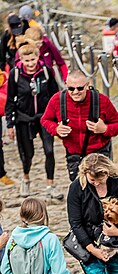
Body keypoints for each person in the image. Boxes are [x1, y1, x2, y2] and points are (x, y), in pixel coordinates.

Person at [41, 71, 118, 182]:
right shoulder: (57, 100)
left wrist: (105, 129)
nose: (75, 92)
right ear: (66, 85)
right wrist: (56, 129)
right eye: (71, 89)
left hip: (99, 153)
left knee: (102, 189)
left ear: (87, 85)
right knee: (81, 192)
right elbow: (45, 120)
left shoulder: (101, 100)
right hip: (75, 155)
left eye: (80, 88)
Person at [6, 43, 59, 198]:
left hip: (45, 117)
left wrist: (59, 118)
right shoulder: (15, 74)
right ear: (21, 59)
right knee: (28, 154)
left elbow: (55, 96)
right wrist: (9, 124)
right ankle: (26, 177)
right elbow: (10, 101)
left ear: (38, 57)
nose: (30, 64)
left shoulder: (46, 72)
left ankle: (50, 185)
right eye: (26, 60)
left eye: (33, 59)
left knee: (49, 151)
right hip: (23, 118)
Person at [1, 197, 77, 274]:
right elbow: (59, 272)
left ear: (22, 216)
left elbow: (5, 270)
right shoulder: (50, 239)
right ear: (43, 215)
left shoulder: (13, 239)